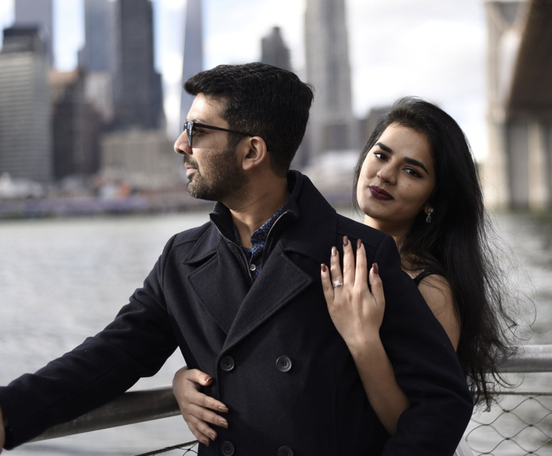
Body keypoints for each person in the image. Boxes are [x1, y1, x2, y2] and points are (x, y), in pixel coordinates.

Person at [0, 65, 473, 456]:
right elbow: (107, 359)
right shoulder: (183, 258)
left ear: (252, 152)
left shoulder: (361, 254)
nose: (180, 145)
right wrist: (1, 408)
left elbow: (442, 402)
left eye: (197, 131)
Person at [172, 97, 515, 454]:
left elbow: (420, 424)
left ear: (434, 198)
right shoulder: (321, 253)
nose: (385, 175)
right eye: (381, 155)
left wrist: (363, 339)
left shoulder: (430, 287)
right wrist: (188, 381)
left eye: (412, 171)